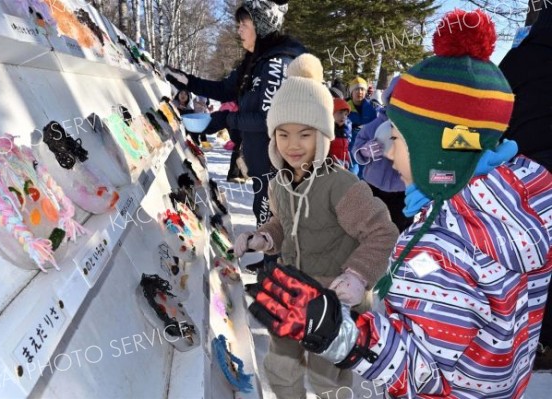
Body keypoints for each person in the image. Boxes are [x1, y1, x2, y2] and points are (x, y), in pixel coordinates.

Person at [247, 10, 552, 398]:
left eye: (399, 138)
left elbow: (422, 373)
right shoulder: (508, 206)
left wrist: (346, 337)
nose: (387, 152)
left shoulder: (440, 252)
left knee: (326, 383)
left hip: (342, 306)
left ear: (438, 152)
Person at [233, 54, 399, 399]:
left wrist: (357, 276)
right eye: (283, 134)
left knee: (328, 380)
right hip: (291, 292)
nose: (293, 145)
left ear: (323, 135)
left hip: (333, 302)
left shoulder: (340, 185)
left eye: (305, 134)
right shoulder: (279, 182)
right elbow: (282, 222)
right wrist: (264, 238)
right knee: (281, 366)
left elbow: (382, 232)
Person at [165, 0, 305, 273]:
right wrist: (188, 82)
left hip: (276, 162)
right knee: (263, 212)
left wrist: (225, 120)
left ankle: (275, 276)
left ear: (262, 27)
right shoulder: (256, 61)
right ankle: (269, 264)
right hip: (260, 158)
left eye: (244, 25)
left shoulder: (278, 62)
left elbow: (268, 120)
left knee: (272, 215)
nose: (238, 31)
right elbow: (227, 89)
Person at [499, 4, 552, 370]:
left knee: (530, 259)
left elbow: (494, 109)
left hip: (525, 175)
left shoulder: (520, 56)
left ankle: (533, 339)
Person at [352, 76, 412, 232]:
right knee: (369, 224)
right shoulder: (377, 124)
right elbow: (358, 145)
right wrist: (364, 151)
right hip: (374, 185)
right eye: (397, 98)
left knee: (397, 227)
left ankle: (395, 252)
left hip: (402, 190)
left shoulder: (416, 128)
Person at [347, 77, 379, 177]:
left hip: (368, 147)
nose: (359, 92)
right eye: (356, 89)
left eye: (362, 89)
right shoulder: (345, 107)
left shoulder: (373, 107)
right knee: (352, 175)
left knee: (366, 175)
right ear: (351, 92)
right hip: (351, 148)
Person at [329, 98, 352, 169]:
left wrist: (347, 161)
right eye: (340, 113)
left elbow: (345, 149)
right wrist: (333, 161)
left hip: (341, 167)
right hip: (329, 168)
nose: (343, 117)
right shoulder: (328, 131)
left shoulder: (345, 132)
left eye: (345, 114)